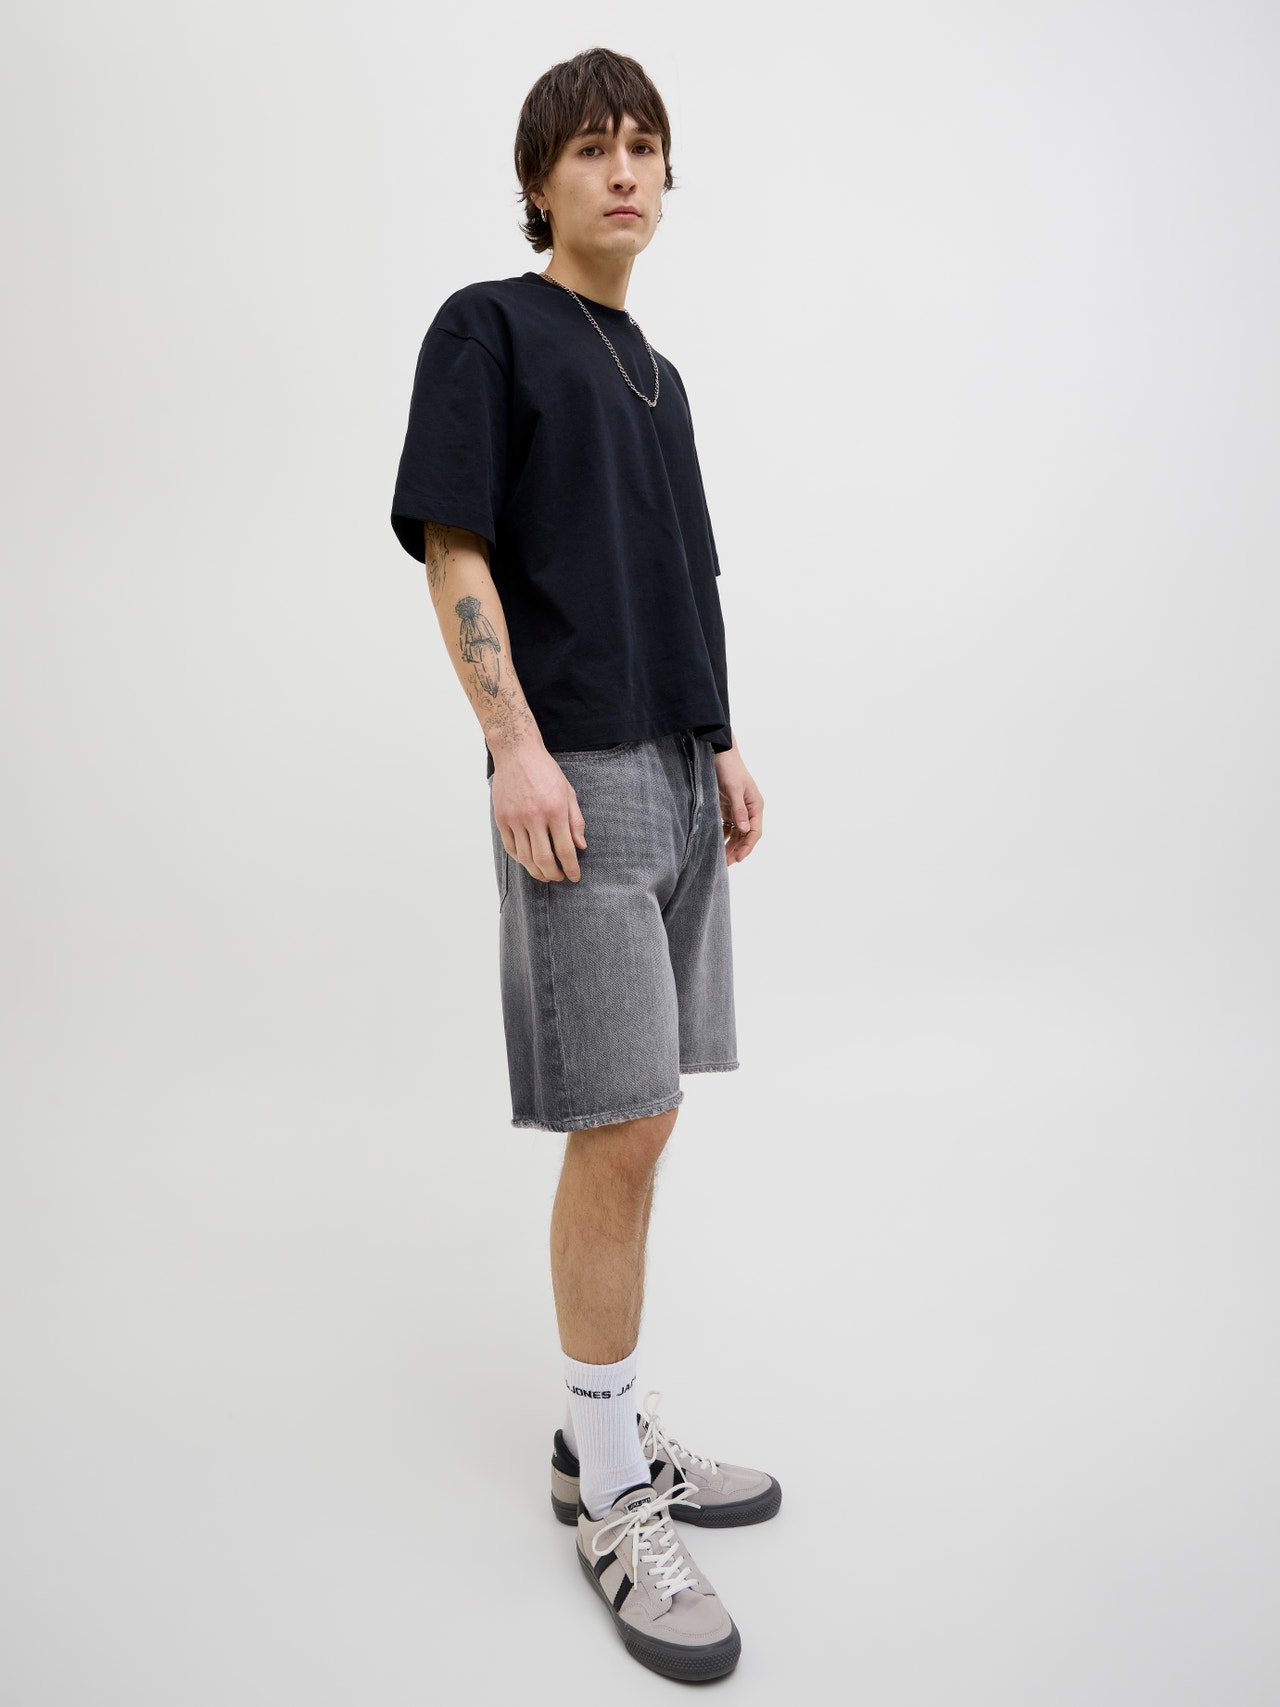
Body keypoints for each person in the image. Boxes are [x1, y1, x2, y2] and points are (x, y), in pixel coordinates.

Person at [389, 47, 775, 1683]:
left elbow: (685, 577)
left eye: (647, 148)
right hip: (578, 777)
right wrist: (514, 743)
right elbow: (455, 545)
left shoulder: (658, 377)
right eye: (594, 148)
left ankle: (592, 1434)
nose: (625, 171)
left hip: (677, 770)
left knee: (653, 1109)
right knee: (618, 1122)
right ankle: (614, 1494)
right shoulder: (488, 328)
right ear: (541, 180)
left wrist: (724, 739)